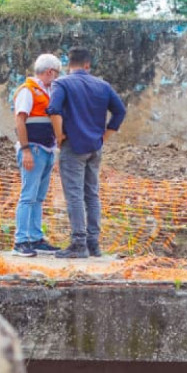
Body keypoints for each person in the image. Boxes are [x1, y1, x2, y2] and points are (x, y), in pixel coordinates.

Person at [46, 47, 127, 259]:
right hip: (94, 147)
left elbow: (53, 109)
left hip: (73, 146)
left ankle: (78, 243)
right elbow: (120, 111)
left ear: (68, 64)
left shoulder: (61, 83)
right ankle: (93, 243)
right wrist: (103, 137)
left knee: (74, 195)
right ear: (87, 65)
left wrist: (59, 136)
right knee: (92, 194)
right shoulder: (103, 85)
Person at [11, 53, 63, 258]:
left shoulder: (47, 91)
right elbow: (20, 121)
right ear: (50, 72)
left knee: (38, 197)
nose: (58, 78)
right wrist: (25, 150)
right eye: (57, 73)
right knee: (28, 196)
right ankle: (21, 240)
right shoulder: (28, 91)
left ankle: (35, 237)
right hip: (33, 149)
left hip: (46, 149)